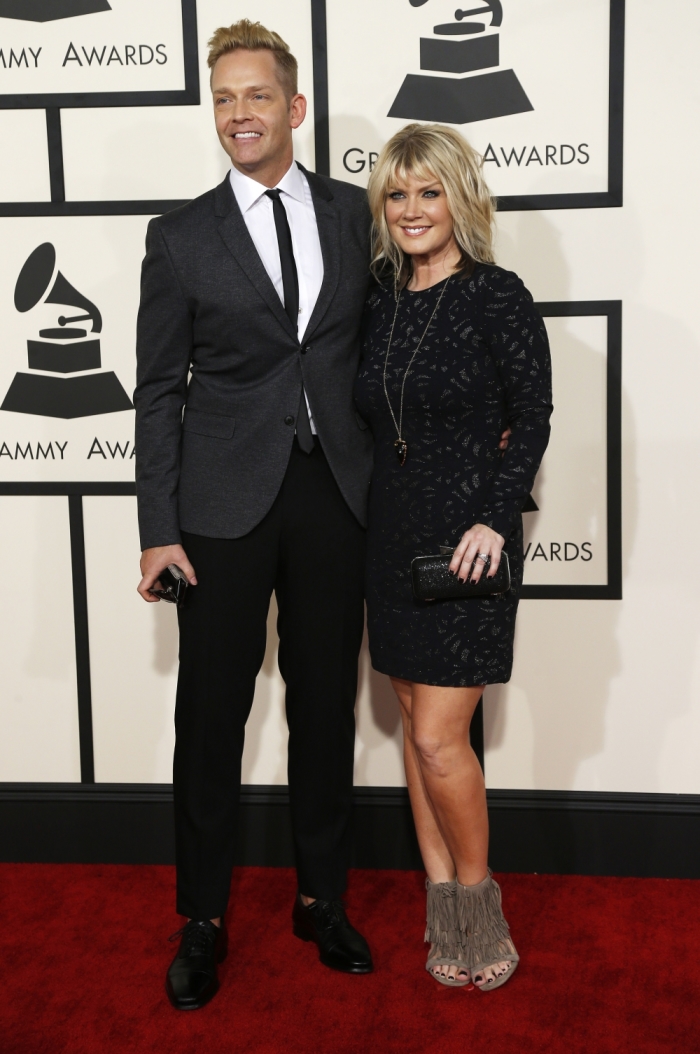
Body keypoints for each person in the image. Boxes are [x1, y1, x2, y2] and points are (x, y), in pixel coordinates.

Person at [134, 20, 375, 1010]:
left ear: (295, 108)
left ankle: (320, 898)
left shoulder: (359, 213)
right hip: (220, 507)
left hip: (336, 495)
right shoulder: (180, 235)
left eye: (257, 96)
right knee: (210, 716)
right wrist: (158, 526)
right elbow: (155, 391)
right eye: (225, 98)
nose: (239, 113)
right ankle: (203, 917)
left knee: (326, 706)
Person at [354, 123, 553, 990]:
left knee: (442, 739)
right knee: (409, 718)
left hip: (467, 544)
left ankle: (481, 903)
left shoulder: (497, 295)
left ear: (459, 199)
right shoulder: (379, 297)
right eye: (396, 195)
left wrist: (495, 519)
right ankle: (443, 904)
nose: (411, 210)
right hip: (389, 534)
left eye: (428, 192)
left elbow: (534, 413)